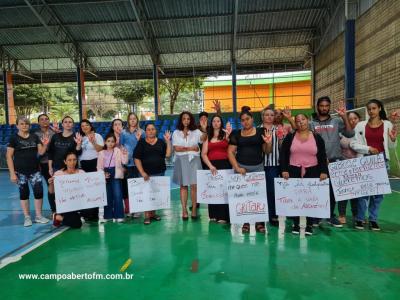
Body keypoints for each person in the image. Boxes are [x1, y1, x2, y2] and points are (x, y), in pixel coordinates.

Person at [350, 100, 398, 231]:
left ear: (380, 109)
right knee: (363, 193)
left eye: (374, 108)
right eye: (369, 109)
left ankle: (373, 219)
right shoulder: (360, 125)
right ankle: (360, 219)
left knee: (378, 194)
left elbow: (392, 146)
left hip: (382, 161)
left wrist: (393, 139)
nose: (371, 111)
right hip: (365, 160)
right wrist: (368, 148)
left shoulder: (387, 124)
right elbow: (353, 144)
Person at [280, 114, 328, 236]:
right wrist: (284, 169)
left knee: (310, 199)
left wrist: (323, 171)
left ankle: (310, 224)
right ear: (295, 123)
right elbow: (284, 154)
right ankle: (296, 223)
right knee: (295, 199)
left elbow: (322, 156)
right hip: (293, 171)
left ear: (308, 121)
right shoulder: (290, 137)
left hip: (313, 171)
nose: (301, 122)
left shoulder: (317, 137)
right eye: (298, 120)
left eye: (303, 119)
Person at [309, 97, 354, 227]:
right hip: (317, 162)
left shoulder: (336, 121)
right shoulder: (312, 124)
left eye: (327, 106)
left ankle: (330, 215)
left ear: (329, 107)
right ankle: (316, 216)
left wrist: (344, 116)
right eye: (322, 106)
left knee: (332, 191)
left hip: (335, 161)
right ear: (317, 106)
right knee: (317, 190)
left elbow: (350, 133)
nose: (324, 108)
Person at [227, 107, 272, 234]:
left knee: (259, 197)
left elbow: (267, 152)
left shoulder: (261, 131)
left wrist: (268, 143)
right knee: (243, 197)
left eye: (247, 119)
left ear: (252, 119)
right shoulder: (236, 133)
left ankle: (259, 222)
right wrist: (236, 167)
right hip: (241, 169)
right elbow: (230, 152)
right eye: (242, 120)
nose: (245, 122)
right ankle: (245, 222)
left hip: (258, 168)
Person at [6, 116, 50, 227]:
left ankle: (39, 216)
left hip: (35, 171)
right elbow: (9, 156)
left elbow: (40, 152)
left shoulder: (34, 137)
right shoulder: (13, 138)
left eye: (26, 123)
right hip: (20, 172)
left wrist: (45, 144)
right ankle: (27, 217)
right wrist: (12, 173)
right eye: (22, 124)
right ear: (17, 126)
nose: (24, 125)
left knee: (39, 193)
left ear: (29, 125)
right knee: (24, 194)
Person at [134, 124, 172, 225]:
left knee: (156, 194)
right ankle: (147, 215)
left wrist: (168, 141)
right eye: (148, 130)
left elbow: (168, 155)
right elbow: (136, 158)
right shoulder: (141, 142)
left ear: (156, 131)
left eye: (152, 129)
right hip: (145, 174)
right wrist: (142, 172)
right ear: (145, 132)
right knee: (146, 194)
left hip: (159, 172)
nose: (151, 131)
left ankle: (153, 214)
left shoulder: (160, 142)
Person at [259, 107, 290, 226]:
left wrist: (281, 138)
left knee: (272, 191)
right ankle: (262, 214)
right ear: (262, 117)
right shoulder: (257, 130)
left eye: (272, 115)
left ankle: (273, 215)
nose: (269, 117)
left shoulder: (279, 129)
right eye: (267, 115)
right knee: (262, 191)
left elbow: (283, 148)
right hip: (260, 164)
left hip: (275, 164)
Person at [172, 111, 206, 220]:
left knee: (194, 186)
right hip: (181, 160)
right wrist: (192, 148)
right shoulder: (176, 133)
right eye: (184, 119)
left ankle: (194, 209)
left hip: (194, 160)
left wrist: (204, 129)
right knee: (183, 186)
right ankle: (184, 210)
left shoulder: (196, 131)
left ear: (191, 120)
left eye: (188, 119)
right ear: (181, 120)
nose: (186, 121)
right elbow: (176, 148)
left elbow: (203, 139)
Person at [47, 116, 82, 214]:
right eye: (65, 122)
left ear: (73, 124)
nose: (68, 124)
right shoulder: (55, 136)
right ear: (62, 124)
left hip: (70, 168)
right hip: (56, 168)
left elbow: (78, 153)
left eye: (70, 122)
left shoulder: (76, 136)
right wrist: (50, 167)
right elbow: (50, 153)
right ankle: (54, 211)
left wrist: (79, 145)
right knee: (52, 189)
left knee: (70, 190)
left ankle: (71, 210)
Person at [201, 115, 232, 224]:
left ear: (221, 123)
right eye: (214, 121)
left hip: (225, 165)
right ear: (211, 123)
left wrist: (229, 136)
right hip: (212, 166)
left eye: (218, 121)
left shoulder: (226, 134)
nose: (216, 123)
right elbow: (203, 154)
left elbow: (232, 150)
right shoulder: (208, 137)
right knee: (213, 190)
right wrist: (210, 166)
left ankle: (223, 216)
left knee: (223, 191)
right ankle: (213, 214)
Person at [97, 133, 128, 223]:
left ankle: (119, 215)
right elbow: (99, 167)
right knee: (107, 195)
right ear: (105, 142)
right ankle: (108, 215)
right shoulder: (101, 153)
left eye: (112, 141)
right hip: (106, 173)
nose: (110, 143)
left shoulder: (117, 150)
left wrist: (125, 154)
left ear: (115, 143)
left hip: (116, 173)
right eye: (108, 141)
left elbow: (124, 161)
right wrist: (103, 174)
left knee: (118, 194)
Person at [49, 152, 85, 229]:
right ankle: (58, 217)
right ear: (65, 161)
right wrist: (51, 183)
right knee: (77, 224)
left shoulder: (82, 173)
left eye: (74, 160)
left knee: (92, 212)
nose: (72, 162)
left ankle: (73, 216)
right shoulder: (59, 174)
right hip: (65, 205)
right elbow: (51, 192)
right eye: (69, 160)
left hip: (79, 203)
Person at [337, 111, 361, 224]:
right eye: (350, 119)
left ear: (359, 119)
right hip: (343, 165)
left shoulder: (362, 132)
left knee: (356, 192)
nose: (352, 121)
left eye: (355, 118)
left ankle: (357, 214)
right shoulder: (341, 133)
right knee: (343, 192)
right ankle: (341, 214)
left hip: (359, 166)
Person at [79, 119, 104, 221]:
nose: (85, 127)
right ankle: (87, 213)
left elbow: (100, 149)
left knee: (94, 189)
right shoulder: (80, 138)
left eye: (87, 125)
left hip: (94, 163)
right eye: (82, 126)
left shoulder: (97, 136)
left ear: (90, 126)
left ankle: (94, 213)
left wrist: (93, 141)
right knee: (86, 190)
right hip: (83, 165)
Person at [120, 113, 144, 217]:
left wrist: (140, 140)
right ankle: (131, 208)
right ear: (128, 121)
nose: (133, 120)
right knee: (130, 186)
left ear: (137, 120)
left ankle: (138, 209)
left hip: (139, 162)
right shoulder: (123, 133)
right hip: (128, 163)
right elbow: (121, 146)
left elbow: (144, 145)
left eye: (134, 119)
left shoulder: (142, 132)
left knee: (139, 186)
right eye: (130, 119)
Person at [33, 113, 57, 212]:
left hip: (52, 163)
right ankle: (50, 210)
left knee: (52, 186)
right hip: (39, 164)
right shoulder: (34, 134)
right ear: (38, 122)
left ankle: (55, 209)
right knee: (39, 188)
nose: (44, 121)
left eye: (46, 119)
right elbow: (36, 151)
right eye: (42, 119)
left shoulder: (54, 133)